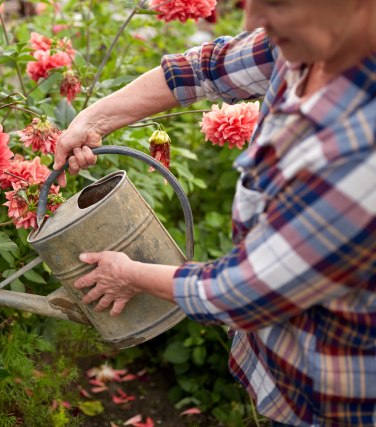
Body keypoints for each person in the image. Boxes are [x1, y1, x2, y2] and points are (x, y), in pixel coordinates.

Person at [52, 0, 376, 426]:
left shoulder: (361, 149)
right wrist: (94, 118)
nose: (251, 20)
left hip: (332, 398)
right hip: (284, 366)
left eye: (277, 4)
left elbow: (245, 290)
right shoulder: (315, 43)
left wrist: (129, 273)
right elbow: (206, 68)